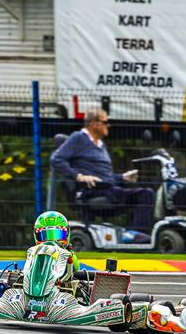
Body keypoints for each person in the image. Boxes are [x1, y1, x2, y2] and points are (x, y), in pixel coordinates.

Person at [50, 107, 154, 242]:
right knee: (143, 194)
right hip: (92, 191)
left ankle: (133, 234)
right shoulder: (78, 138)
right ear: (94, 123)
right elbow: (56, 159)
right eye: (105, 122)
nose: (108, 125)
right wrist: (79, 176)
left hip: (106, 188)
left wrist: (122, 177)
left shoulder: (100, 145)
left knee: (147, 194)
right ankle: (133, 236)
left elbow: (106, 178)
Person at [32, 210, 80, 285]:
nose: (51, 241)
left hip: (62, 286)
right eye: (45, 236)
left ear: (67, 234)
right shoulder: (35, 253)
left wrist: (67, 255)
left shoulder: (68, 252)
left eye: (57, 235)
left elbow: (76, 267)